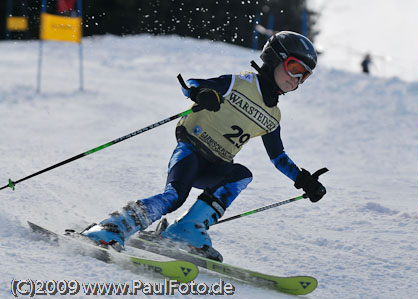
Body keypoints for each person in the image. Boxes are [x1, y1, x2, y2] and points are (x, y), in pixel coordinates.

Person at [82, 31, 327, 261]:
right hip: (191, 150)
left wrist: (303, 180)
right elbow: (191, 83)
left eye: (304, 76)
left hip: (217, 165)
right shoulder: (240, 83)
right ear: (275, 58)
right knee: (175, 196)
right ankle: (109, 228)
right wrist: (201, 93)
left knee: (241, 175)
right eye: (294, 68)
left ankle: (186, 230)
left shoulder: (273, 116)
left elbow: (278, 157)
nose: (296, 80)